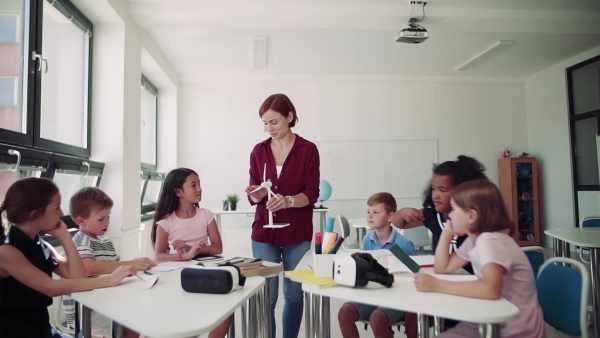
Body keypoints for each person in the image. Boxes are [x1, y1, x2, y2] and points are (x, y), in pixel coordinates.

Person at [0, 178, 133, 338]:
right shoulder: (6, 251)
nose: (62, 214)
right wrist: (109, 280)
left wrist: (65, 236)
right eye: (57, 208)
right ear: (35, 214)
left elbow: (77, 276)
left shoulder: (39, 244)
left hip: (42, 329)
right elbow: (49, 287)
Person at [414, 179, 545, 338]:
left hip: (514, 329)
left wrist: (437, 285)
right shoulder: (475, 239)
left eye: (454, 209)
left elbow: (490, 289)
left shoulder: (489, 241)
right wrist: (447, 233)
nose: (450, 215)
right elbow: (443, 267)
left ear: (471, 216)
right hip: (491, 319)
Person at [244, 93, 320, 338]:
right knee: (268, 296)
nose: (269, 129)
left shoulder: (308, 150)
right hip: (264, 233)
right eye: (265, 123)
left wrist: (288, 201)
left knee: (294, 294)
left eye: (274, 122)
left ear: (290, 117)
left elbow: (312, 192)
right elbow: (254, 193)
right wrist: (256, 194)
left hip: (297, 232)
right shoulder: (259, 151)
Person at [151, 167, 231, 338]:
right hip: (177, 276)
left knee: (226, 313)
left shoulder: (206, 215)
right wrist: (184, 256)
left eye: (199, 184)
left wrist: (194, 250)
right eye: (193, 185)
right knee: (180, 317)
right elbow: (159, 256)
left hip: (205, 271)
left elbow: (217, 247)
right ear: (178, 192)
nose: (199, 189)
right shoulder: (166, 222)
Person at [70, 186, 156, 338]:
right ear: (81, 221)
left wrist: (131, 269)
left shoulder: (105, 241)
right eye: (101, 219)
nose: (107, 222)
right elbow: (90, 268)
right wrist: (129, 263)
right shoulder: (80, 239)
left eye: (108, 217)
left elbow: (115, 268)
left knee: (141, 318)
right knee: (134, 319)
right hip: (91, 307)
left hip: (109, 297)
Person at [391, 155, 488, 275]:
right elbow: (399, 223)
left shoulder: (473, 221)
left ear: (463, 192)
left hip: (471, 281)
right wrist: (401, 213)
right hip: (443, 276)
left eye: (442, 190)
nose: (435, 195)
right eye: (433, 189)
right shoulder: (431, 215)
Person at [338, 192, 418, 338]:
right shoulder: (368, 240)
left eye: (375, 212)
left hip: (399, 298)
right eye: (368, 211)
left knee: (377, 318)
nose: (370, 216)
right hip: (374, 294)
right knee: (345, 313)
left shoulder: (402, 245)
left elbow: (416, 273)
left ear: (390, 217)